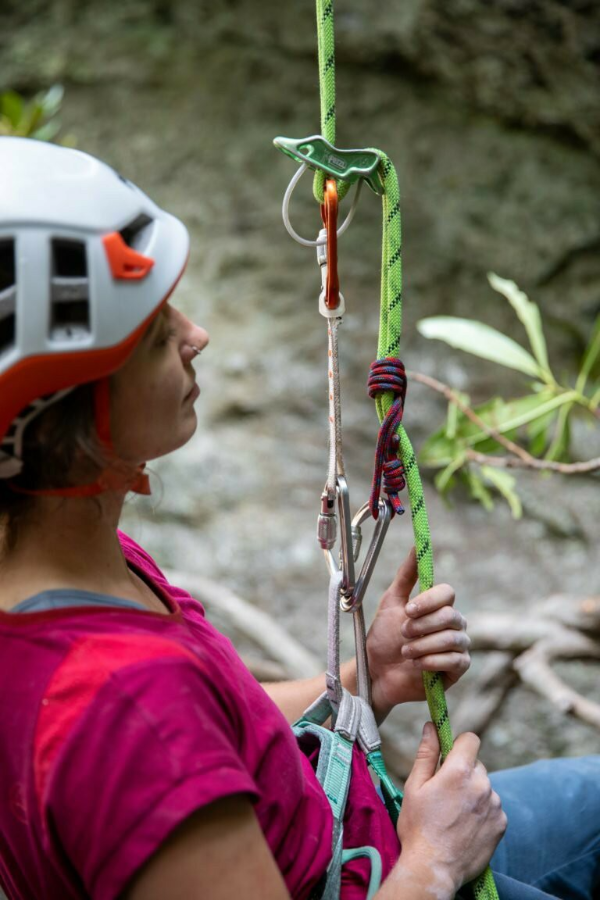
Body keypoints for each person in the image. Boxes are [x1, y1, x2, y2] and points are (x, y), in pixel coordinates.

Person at [0, 137, 597, 900]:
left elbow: (221, 733)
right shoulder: (127, 709)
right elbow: (166, 739)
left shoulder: (67, 573)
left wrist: (363, 681)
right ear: (57, 413)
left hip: (369, 832)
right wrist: (435, 865)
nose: (195, 336)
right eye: (153, 336)